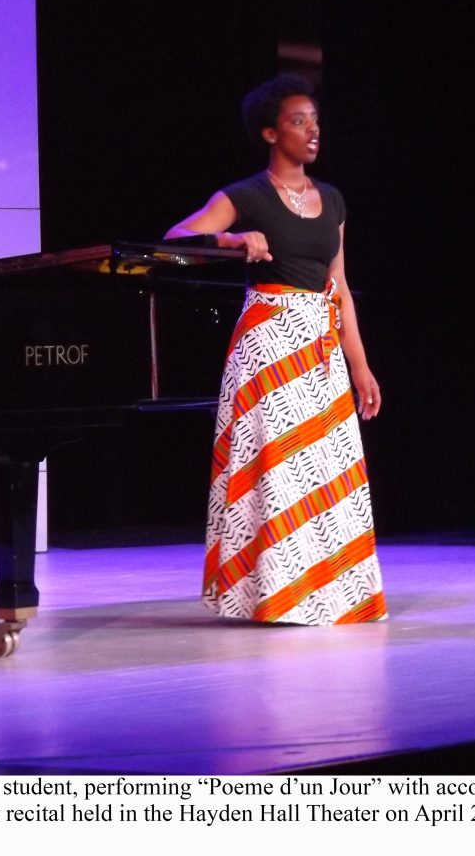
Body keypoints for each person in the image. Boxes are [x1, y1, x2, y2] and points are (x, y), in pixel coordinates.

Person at [166, 74, 387, 625]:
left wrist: (360, 365)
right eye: (297, 121)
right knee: (277, 469)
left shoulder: (332, 199)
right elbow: (174, 239)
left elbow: (339, 286)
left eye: (314, 120)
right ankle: (268, 594)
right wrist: (232, 239)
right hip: (270, 342)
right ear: (269, 132)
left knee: (325, 472)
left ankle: (327, 595)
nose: (312, 131)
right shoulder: (245, 196)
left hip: (321, 345)